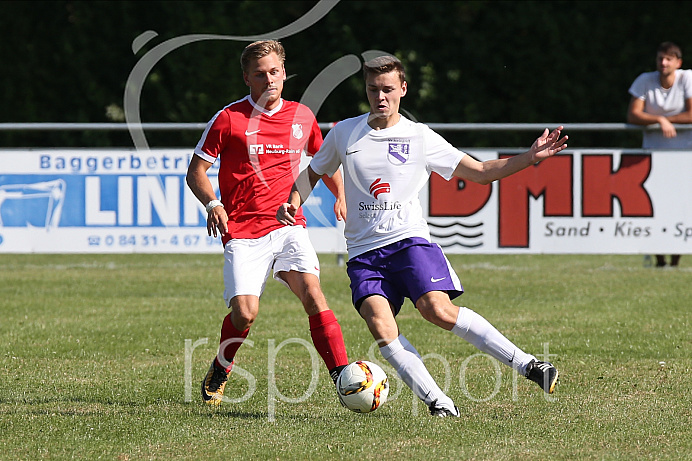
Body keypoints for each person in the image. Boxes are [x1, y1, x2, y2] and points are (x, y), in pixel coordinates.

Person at [277, 56, 565, 417]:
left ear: (403, 89)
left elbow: (479, 172)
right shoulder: (344, 132)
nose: (380, 97)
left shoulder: (419, 136)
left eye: (387, 89)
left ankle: (529, 365)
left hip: (408, 243)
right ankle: (439, 403)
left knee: (437, 310)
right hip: (364, 255)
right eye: (372, 89)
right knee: (381, 326)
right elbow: (313, 172)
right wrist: (293, 201)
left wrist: (530, 157)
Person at [186, 40, 349, 406]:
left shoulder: (303, 117)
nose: (269, 80)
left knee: (313, 294)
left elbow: (321, 162)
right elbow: (196, 171)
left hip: (289, 226)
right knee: (245, 313)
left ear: (284, 74)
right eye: (260, 74)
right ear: (247, 78)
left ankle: (342, 376)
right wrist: (213, 202)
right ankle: (222, 365)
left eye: (275, 72)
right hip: (243, 230)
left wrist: (340, 194)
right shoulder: (228, 118)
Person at [627, 41, 691, 268]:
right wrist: (660, 120)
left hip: (684, 157)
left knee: (681, 208)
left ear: (678, 62)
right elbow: (633, 115)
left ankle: (675, 260)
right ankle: (659, 260)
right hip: (652, 157)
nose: (663, 63)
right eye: (660, 59)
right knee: (654, 208)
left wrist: (665, 119)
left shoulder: (687, 79)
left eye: (668, 59)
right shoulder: (645, 80)